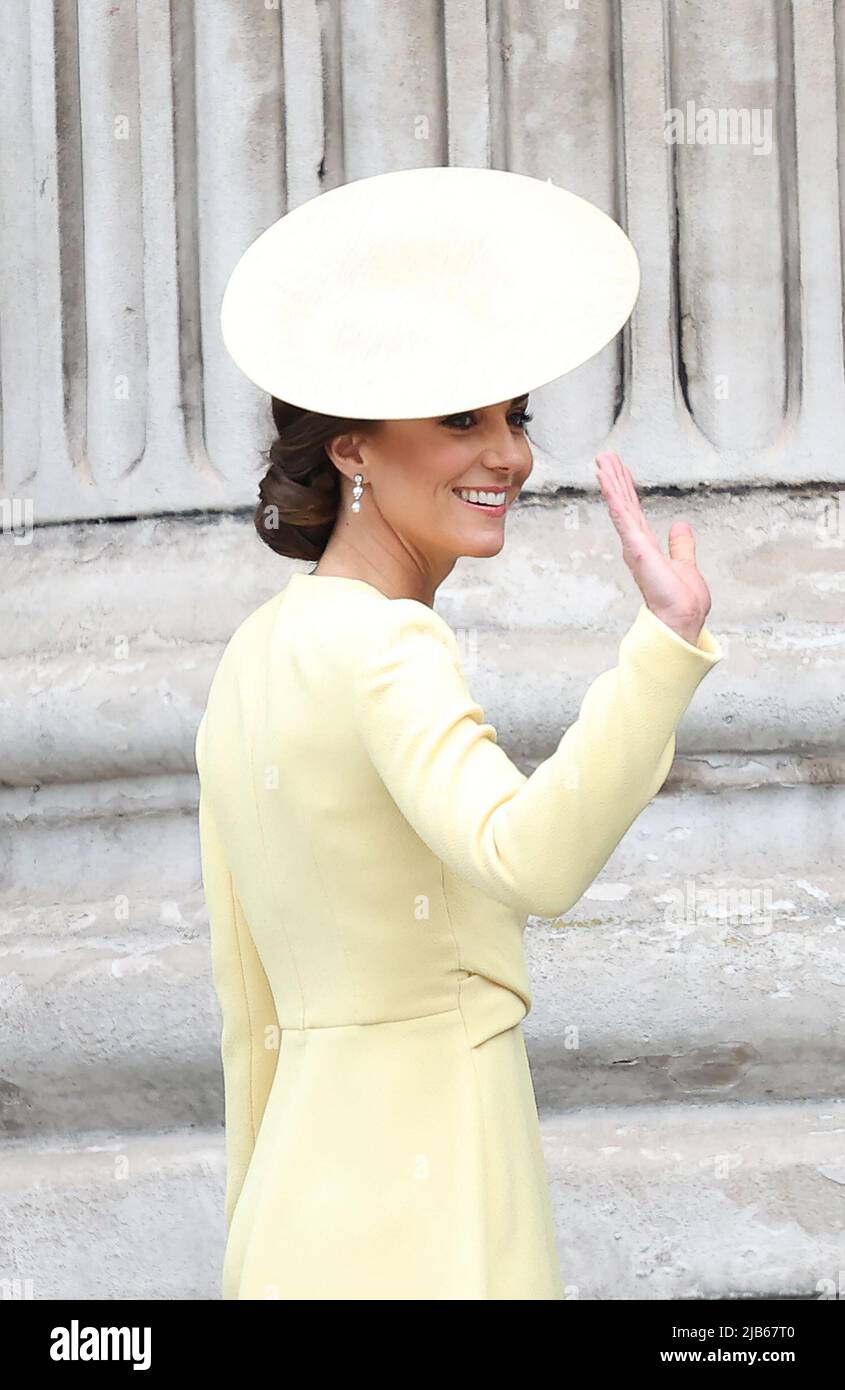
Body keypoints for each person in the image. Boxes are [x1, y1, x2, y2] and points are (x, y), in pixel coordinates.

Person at [195, 166, 724, 1300]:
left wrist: (251, 1237)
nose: (508, 456)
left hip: (296, 1217)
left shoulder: (251, 660)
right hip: (428, 1214)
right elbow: (529, 858)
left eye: (512, 417)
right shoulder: (389, 644)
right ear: (350, 449)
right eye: (457, 420)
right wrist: (662, 647)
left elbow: (250, 1015)